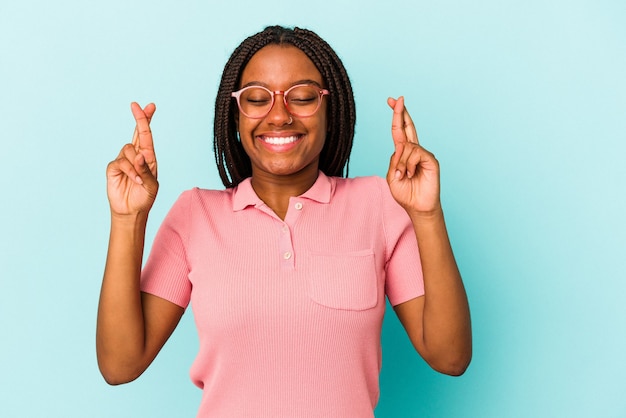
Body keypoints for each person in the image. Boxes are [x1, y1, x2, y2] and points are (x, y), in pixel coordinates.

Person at [97, 25, 471, 417]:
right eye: (257, 99)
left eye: (303, 96)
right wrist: (128, 218)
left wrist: (427, 214)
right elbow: (120, 365)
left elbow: (450, 357)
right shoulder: (195, 215)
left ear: (332, 109)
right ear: (235, 117)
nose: (279, 116)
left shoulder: (378, 205)